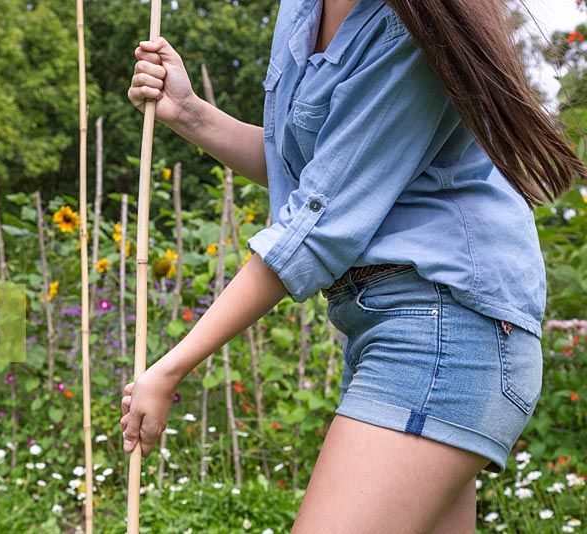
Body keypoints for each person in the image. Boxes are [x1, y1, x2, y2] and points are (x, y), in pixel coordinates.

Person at [120, 0, 587, 531]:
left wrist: (171, 366)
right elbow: (306, 170)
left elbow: (320, 224)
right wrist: (191, 113)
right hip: (391, 326)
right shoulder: (301, 10)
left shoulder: (411, 27)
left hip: (444, 332)